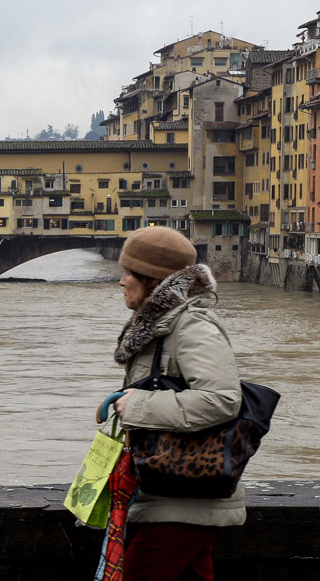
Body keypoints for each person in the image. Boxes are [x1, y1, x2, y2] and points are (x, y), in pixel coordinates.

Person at [111, 226, 244, 581]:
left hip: (183, 495)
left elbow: (222, 399)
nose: (121, 281)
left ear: (151, 279)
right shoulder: (162, 325)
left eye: (127, 273)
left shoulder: (192, 326)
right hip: (168, 491)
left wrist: (138, 407)